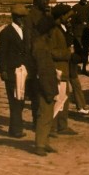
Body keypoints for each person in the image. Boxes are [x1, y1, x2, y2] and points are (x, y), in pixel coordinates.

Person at [0, 4, 31, 138]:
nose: (23, 20)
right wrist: (3, 70)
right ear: (15, 17)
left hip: (23, 71)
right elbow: (1, 53)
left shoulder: (25, 32)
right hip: (12, 71)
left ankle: (15, 127)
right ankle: (16, 129)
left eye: (24, 17)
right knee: (14, 100)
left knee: (21, 100)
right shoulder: (6, 32)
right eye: (20, 17)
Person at [31, 14, 60, 157]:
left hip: (48, 82)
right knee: (44, 114)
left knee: (48, 114)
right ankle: (39, 144)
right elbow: (42, 70)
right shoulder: (40, 46)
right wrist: (48, 89)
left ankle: (45, 141)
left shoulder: (42, 44)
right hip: (44, 84)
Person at [49, 3, 78, 137]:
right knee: (58, 99)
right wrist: (67, 54)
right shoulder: (54, 31)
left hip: (64, 69)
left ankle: (62, 125)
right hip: (58, 69)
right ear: (61, 16)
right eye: (68, 16)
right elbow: (52, 51)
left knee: (64, 98)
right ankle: (53, 127)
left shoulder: (63, 28)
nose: (70, 19)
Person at [71, 0, 89, 76]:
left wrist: (87, 25)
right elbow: (73, 21)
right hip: (78, 33)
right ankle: (75, 69)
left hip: (86, 32)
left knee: (86, 51)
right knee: (78, 51)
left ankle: (84, 68)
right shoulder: (75, 7)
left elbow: (88, 19)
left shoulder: (88, 7)